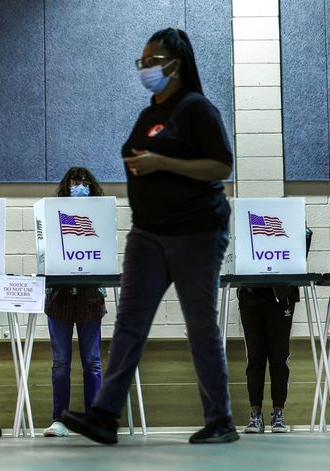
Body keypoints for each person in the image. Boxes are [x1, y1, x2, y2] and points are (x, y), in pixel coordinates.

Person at [62, 27, 236, 444]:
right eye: (141, 60)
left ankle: (220, 421)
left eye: (152, 60)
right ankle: (104, 416)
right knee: (129, 324)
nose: (145, 67)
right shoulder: (148, 115)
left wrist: (163, 162)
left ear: (174, 64)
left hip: (196, 232)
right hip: (148, 235)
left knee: (200, 326)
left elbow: (221, 167)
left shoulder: (197, 110)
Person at [43, 167, 107, 437]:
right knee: (60, 362)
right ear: (66, 186)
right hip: (59, 296)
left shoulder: (101, 217)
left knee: (92, 361)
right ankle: (60, 420)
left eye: (83, 182)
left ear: (91, 187)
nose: (79, 186)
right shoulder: (52, 214)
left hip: (90, 295)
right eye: (74, 182)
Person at [239, 228, 312, 434]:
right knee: (255, 358)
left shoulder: (290, 223)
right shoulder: (245, 225)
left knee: (279, 357)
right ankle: (255, 415)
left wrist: (302, 231)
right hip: (251, 294)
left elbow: (300, 252)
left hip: (281, 296)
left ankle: (278, 413)